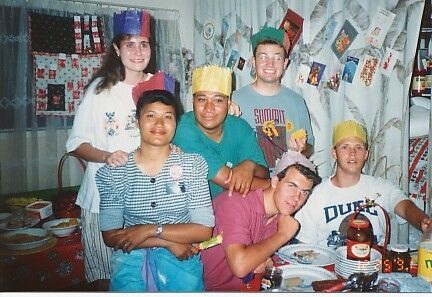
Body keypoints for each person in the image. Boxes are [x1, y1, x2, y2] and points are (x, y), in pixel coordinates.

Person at [95, 80, 215, 292]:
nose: (159, 124)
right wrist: (166, 242)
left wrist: (150, 230)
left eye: (168, 117)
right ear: (137, 121)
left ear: (176, 123)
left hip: (181, 262)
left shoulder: (192, 165)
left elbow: (204, 230)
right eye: (151, 116)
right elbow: (111, 236)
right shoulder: (114, 173)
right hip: (132, 261)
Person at [65, 9, 154, 290]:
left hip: (146, 200)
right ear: (116, 48)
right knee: (107, 278)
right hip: (104, 202)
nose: (138, 51)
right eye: (129, 44)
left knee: (144, 276)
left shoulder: (160, 86)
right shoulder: (100, 91)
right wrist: (106, 156)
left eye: (144, 43)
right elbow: (75, 144)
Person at [294, 120, 432, 248]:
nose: (352, 153)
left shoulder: (380, 188)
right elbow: (304, 249)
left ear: (366, 154)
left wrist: (422, 221)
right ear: (334, 153)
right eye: (345, 147)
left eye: (358, 147)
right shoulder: (316, 196)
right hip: (333, 270)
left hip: (375, 268)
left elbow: (404, 206)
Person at [201, 150, 322, 291]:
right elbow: (240, 266)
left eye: (304, 192)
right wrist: (282, 235)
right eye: (292, 186)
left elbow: (269, 264)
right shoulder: (235, 203)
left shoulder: (282, 218)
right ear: (275, 181)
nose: (297, 198)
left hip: (253, 288)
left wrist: (266, 263)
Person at [173, 64, 269, 198]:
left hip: (232, 208)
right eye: (202, 99)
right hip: (189, 214)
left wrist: (249, 165)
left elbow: (264, 173)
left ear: (228, 104)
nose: (209, 108)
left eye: (218, 100)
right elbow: (228, 181)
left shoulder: (240, 128)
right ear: (193, 101)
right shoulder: (182, 128)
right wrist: (275, 187)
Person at [232, 26, 314, 174]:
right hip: (248, 186)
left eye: (277, 58)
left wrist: (302, 149)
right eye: (263, 57)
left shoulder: (297, 102)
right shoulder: (234, 99)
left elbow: (310, 146)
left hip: (285, 184)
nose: (270, 64)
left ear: (285, 63)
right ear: (253, 61)